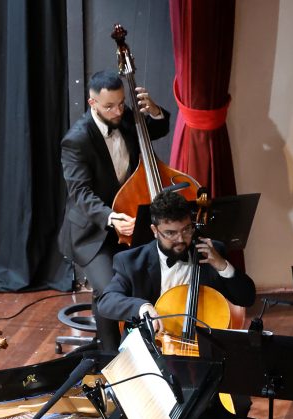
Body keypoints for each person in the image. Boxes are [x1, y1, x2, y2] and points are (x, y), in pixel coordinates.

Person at [59, 69, 171, 348]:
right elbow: (80, 193)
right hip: (93, 233)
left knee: (150, 276)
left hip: (131, 221)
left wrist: (155, 111)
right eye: (109, 106)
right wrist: (110, 217)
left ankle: (146, 347)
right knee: (109, 289)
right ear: (92, 103)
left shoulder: (126, 118)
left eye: (121, 103)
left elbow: (156, 129)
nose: (118, 110)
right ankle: (110, 356)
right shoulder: (77, 140)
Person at [94, 189, 255, 332]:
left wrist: (223, 266)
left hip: (202, 345)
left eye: (186, 230)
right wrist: (142, 307)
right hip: (153, 346)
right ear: (155, 231)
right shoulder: (131, 261)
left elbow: (246, 298)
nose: (180, 239)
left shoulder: (210, 253)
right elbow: (107, 302)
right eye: (170, 233)